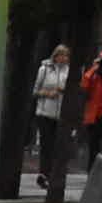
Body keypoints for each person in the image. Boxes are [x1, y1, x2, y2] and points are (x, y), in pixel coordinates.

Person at [33, 43, 71, 187]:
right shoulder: (44, 70)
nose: (64, 58)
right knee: (46, 145)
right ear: (55, 56)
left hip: (61, 114)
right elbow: (35, 91)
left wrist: (64, 91)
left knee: (58, 146)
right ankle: (43, 174)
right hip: (45, 113)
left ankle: (54, 175)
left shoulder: (69, 71)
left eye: (66, 56)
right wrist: (48, 93)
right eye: (61, 55)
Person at [77, 51, 102, 167]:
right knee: (93, 146)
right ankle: (91, 170)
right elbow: (84, 85)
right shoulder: (93, 76)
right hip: (93, 117)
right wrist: (93, 69)